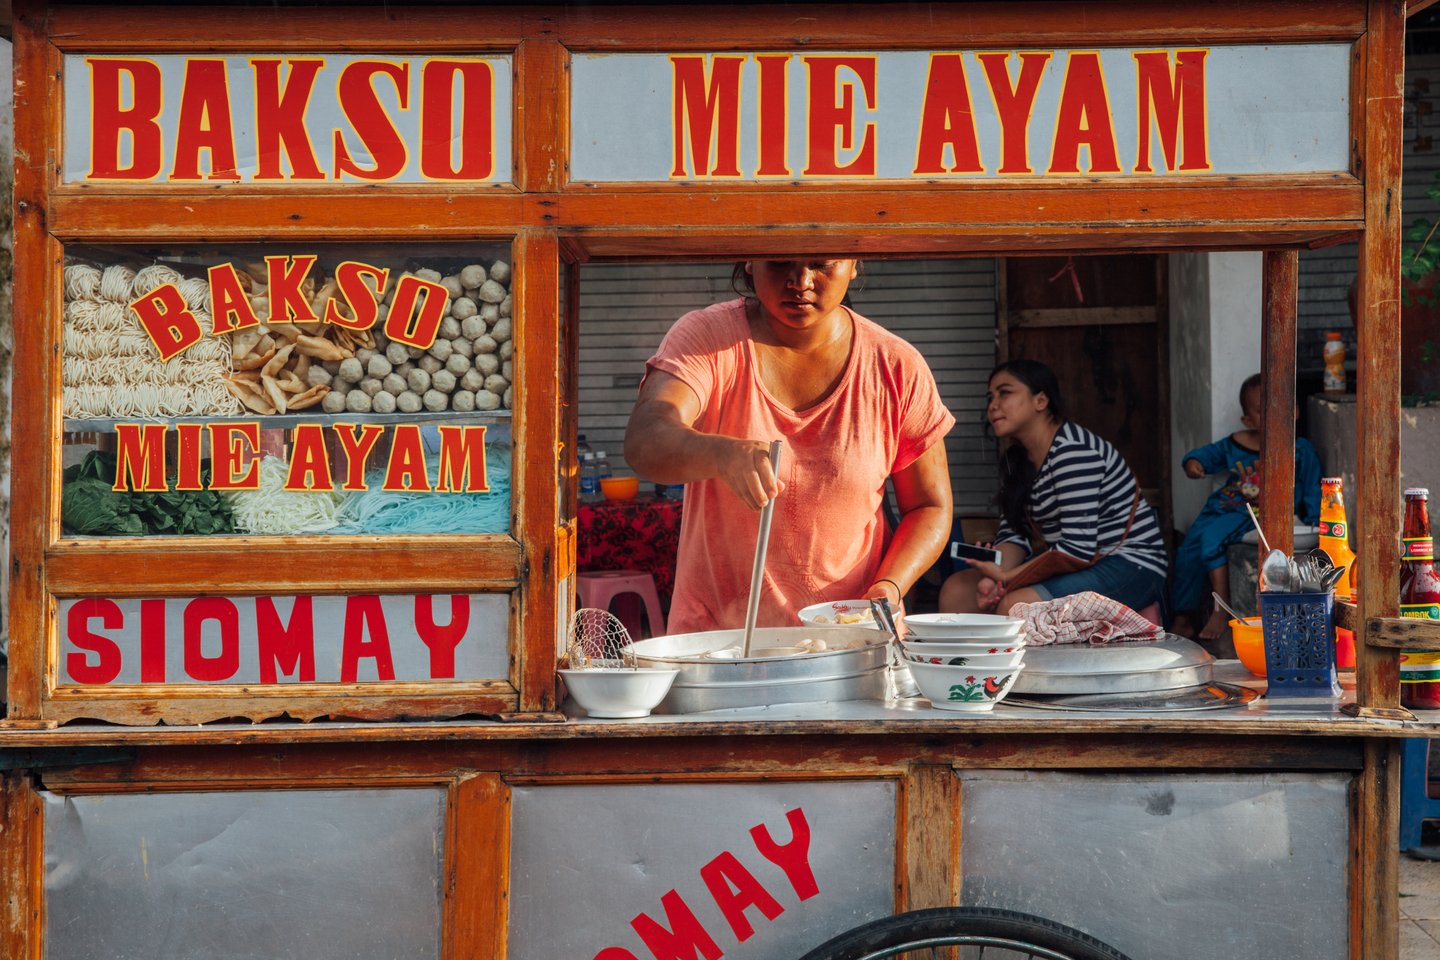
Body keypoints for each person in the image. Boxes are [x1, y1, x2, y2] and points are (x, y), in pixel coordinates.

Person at [623, 259, 955, 634]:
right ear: (750, 260)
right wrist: (721, 454)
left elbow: (929, 505)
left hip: (847, 639)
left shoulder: (896, 366)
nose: (801, 281)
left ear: (853, 263)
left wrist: (890, 585)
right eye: (781, 262)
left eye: (821, 263)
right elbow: (645, 439)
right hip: (716, 640)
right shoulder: (707, 339)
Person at [938, 360, 1167, 615]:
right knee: (956, 591)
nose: (993, 405)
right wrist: (993, 577)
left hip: (1130, 566)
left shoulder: (1072, 452)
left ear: (1041, 401)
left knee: (1015, 608)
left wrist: (1008, 578)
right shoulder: (1019, 460)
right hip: (1077, 564)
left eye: (1005, 393)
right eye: (990, 397)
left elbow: (1077, 550)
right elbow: (1015, 533)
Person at [1172, 373, 1322, 639]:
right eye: (1262, 411)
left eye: (1283, 408)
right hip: (1218, 508)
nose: (1275, 416)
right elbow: (1204, 456)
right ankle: (1182, 618)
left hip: (1251, 511)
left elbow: (1311, 488)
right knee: (1186, 554)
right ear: (1248, 419)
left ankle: (1221, 612)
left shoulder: (1301, 450)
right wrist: (1192, 463)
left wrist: (1314, 521)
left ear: (1296, 411)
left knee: (1210, 541)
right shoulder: (1236, 443)